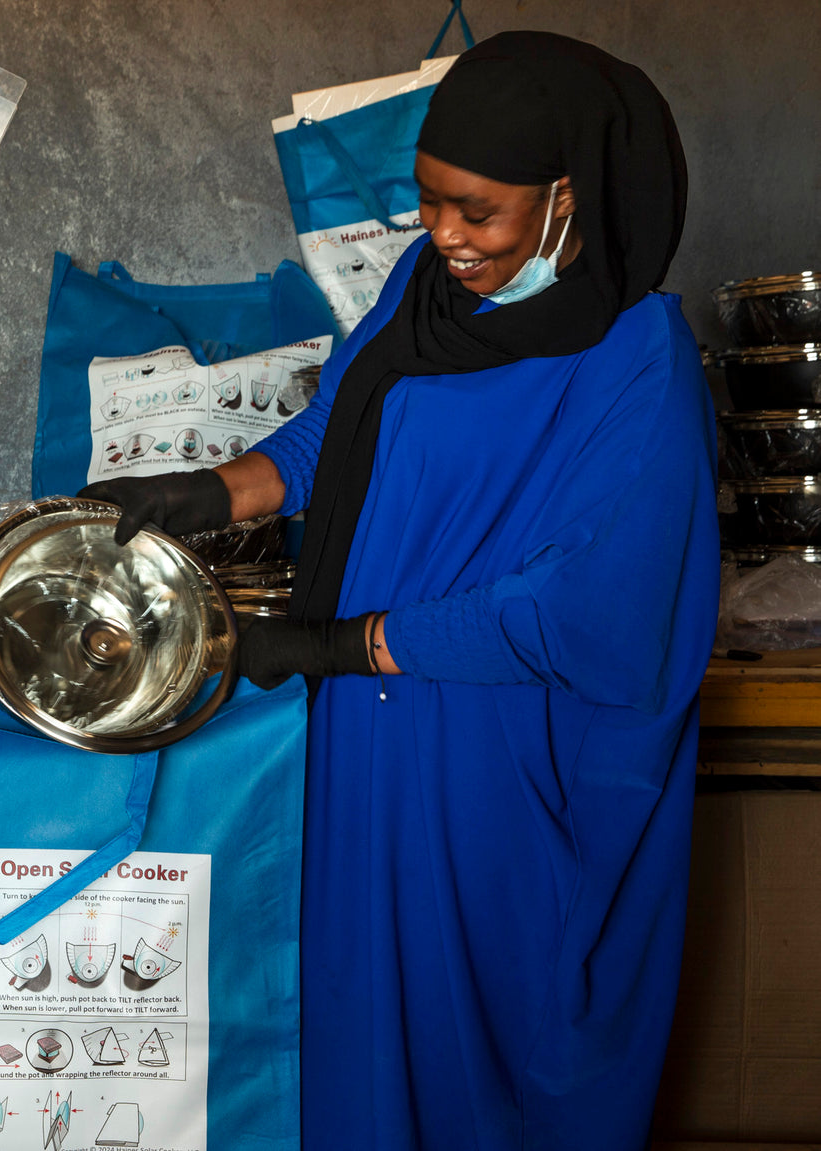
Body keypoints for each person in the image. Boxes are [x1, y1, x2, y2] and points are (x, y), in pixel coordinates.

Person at [83, 32, 717, 1150]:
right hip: (367, 737)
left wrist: (338, 645)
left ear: (567, 194)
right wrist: (214, 491)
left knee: (475, 1027)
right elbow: (343, 429)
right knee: (355, 1028)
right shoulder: (426, 292)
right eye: (428, 204)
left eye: (480, 212)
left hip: (499, 756)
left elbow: (581, 608)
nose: (446, 237)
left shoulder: (635, 355)